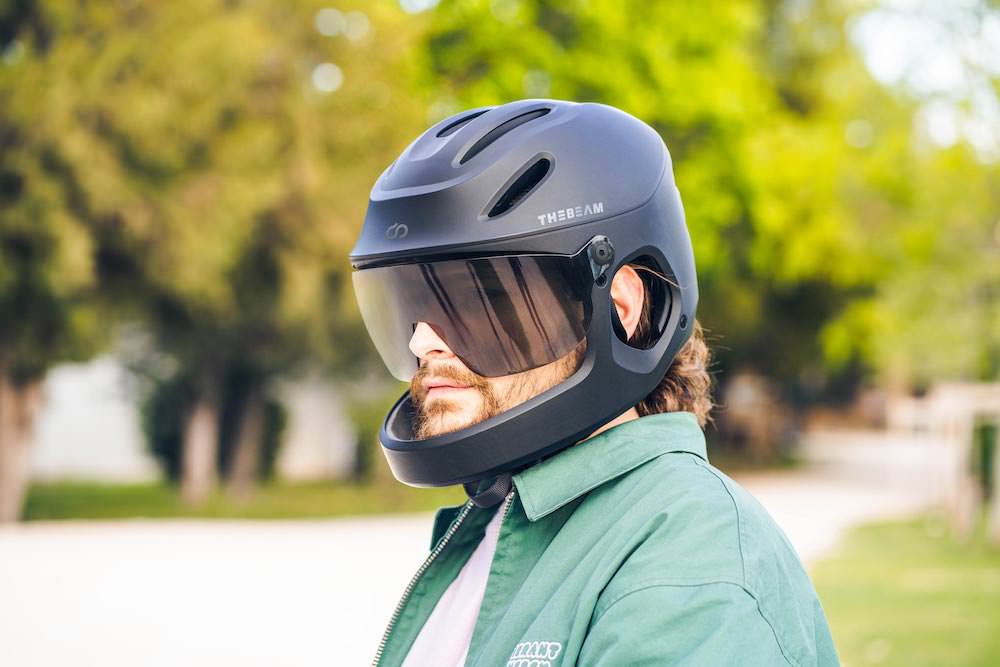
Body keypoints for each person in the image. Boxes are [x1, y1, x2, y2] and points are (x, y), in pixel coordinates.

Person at [350, 99, 840, 666]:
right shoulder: (495, 522)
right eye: (411, 306)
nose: (422, 343)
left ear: (619, 306)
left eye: (476, 302)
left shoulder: (690, 562)